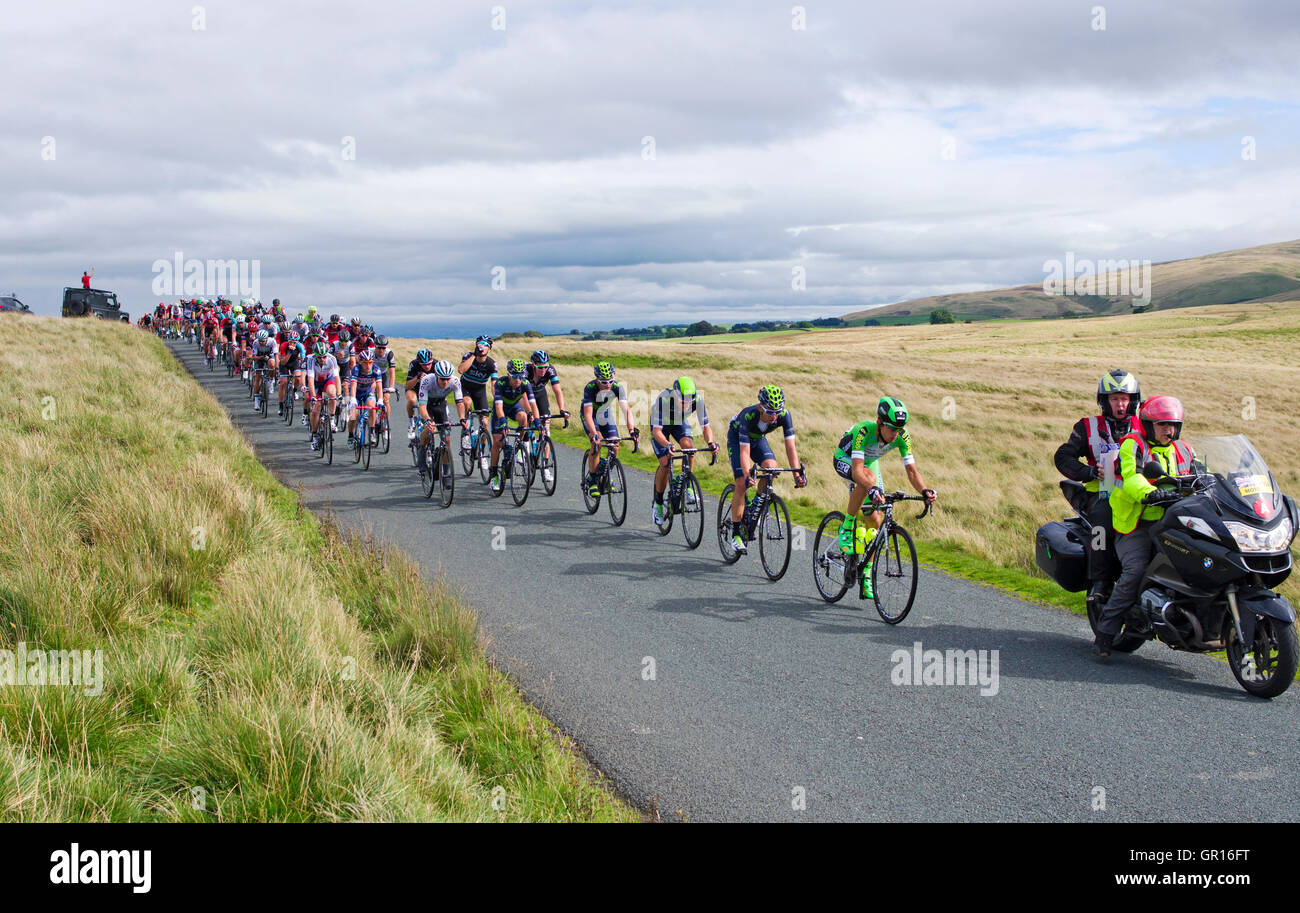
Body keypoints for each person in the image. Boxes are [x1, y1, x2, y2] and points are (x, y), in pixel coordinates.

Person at [1093, 395, 1195, 658]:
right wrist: (1149, 493)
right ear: (1148, 425)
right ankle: (1106, 632)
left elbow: (1200, 474)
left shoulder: (1183, 449)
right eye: (1162, 425)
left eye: (1173, 425)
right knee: (1136, 570)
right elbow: (1131, 477)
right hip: (1137, 523)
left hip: (1172, 523)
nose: (1168, 430)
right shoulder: (1133, 444)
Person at [1054, 369, 1142, 609]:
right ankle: (1101, 582)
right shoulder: (1088, 427)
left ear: (1133, 400)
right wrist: (1089, 472)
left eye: (1124, 398)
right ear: (1104, 401)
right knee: (1102, 524)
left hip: (1139, 493)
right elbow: (1063, 456)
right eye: (1114, 398)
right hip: (1101, 493)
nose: (1120, 404)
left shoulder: (1144, 425)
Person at [832, 396, 936, 599]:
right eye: (892, 429)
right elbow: (857, 470)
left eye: (899, 429)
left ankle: (867, 575)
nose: (895, 434)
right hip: (846, 459)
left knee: (876, 520)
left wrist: (924, 490)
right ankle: (847, 526)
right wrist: (870, 488)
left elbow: (912, 472)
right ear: (879, 423)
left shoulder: (901, 437)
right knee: (867, 481)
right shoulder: (864, 430)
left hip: (868, 463)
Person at [725, 385, 806, 555]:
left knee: (771, 468)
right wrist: (747, 475)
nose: (774, 416)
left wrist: (796, 474)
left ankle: (756, 505)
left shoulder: (784, 415)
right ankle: (736, 534)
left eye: (778, 411)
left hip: (758, 440)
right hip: (738, 440)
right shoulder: (748, 416)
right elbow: (745, 451)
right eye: (770, 412)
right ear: (761, 407)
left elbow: (790, 447)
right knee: (741, 482)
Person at [649, 377, 718, 526]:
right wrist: (668, 444)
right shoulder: (664, 399)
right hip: (661, 427)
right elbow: (656, 432)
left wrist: (711, 443)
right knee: (665, 463)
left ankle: (687, 487)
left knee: (689, 447)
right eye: (683, 400)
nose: (687, 404)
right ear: (675, 394)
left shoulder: (698, 400)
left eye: (690, 401)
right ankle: (658, 503)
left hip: (678, 423)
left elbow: (706, 426)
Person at [580, 362, 637, 498]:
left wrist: (632, 430)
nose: (608, 385)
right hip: (591, 415)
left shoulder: (617, 387)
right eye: (604, 382)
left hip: (605, 414)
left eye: (610, 381)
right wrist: (594, 434)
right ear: (597, 380)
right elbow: (588, 414)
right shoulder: (590, 388)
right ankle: (593, 480)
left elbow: (626, 410)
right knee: (597, 443)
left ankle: (605, 475)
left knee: (614, 445)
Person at [489, 358, 539, 492]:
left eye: (521, 376)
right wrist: (503, 421)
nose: (518, 380)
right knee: (497, 443)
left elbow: (533, 404)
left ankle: (518, 446)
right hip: (500, 410)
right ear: (508, 375)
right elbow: (498, 406)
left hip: (514, 407)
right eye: (515, 376)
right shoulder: (501, 383)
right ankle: (494, 475)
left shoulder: (525, 383)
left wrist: (537, 421)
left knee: (524, 417)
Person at [414, 360, 470, 475]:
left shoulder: (455, 381)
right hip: (427, 405)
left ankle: (446, 472)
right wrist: (428, 420)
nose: (445, 382)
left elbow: (459, 403)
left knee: (446, 438)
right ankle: (422, 448)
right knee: (429, 428)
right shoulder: (427, 381)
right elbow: (422, 406)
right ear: (436, 376)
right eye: (442, 379)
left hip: (440, 405)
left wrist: (462, 418)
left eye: (447, 379)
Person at [458, 336, 498, 451]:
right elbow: (461, 370)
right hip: (465, 387)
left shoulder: (492, 364)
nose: (482, 347)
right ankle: (466, 433)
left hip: (479, 391)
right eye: (480, 344)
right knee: (467, 402)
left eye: (485, 345)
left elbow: (494, 384)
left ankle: (481, 451)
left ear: (489, 349)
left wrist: (497, 400)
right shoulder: (468, 356)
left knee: (485, 422)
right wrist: (474, 356)